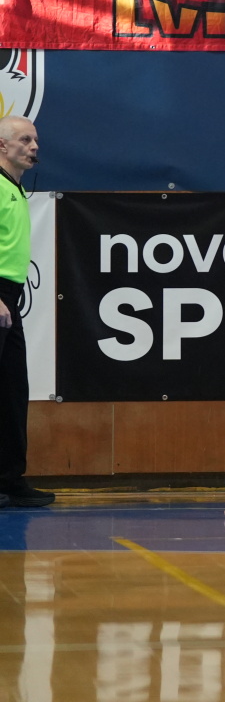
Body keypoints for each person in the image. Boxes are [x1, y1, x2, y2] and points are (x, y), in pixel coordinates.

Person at [0, 117, 48, 508]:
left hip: (10, 298)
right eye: (25, 140)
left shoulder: (13, 188)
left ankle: (9, 479)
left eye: (35, 140)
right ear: (2, 145)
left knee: (13, 390)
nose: (34, 147)